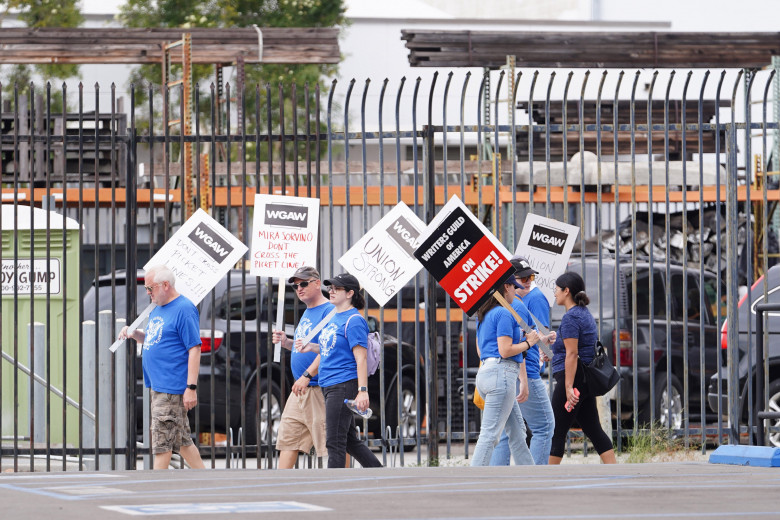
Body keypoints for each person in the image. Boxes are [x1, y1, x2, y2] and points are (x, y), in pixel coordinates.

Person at [118, 264, 205, 470]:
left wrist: (191, 388)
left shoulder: (183, 309)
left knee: (162, 444)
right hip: (160, 386)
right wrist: (135, 334)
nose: (148, 293)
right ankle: (207, 478)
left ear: (165, 285)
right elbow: (157, 338)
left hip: (170, 387)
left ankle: (155, 488)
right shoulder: (159, 308)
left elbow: (194, 348)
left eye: (150, 288)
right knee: (182, 441)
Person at [299, 273, 382, 469]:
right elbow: (332, 348)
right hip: (329, 385)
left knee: (334, 441)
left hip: (343, 385)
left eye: (337, 288)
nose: (331, 291)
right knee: (350, 441)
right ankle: (380, 474)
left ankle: (333, 485)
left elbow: (360, 358)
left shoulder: (354, 320)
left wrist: (362, 391)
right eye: (330, 287)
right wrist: (312, 347)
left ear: (350, 293)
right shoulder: (334, 317)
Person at [490, 257, 555, 466]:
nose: (527, 281)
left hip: (502, 372)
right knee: (544, 426)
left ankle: (495, 479)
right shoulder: (516, 305)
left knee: (507, 431)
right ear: (510, 282)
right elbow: (518, 346)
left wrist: (542, 341)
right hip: (522, 372)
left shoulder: (498, 303)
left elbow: (528, 336)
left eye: (531, 276)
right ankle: (535, 479)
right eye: (522, 277)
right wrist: (525, 379)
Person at [471, 277, 541, 467]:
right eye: (514, 288)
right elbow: (505, 350)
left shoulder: (484, 314)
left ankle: (529, 475)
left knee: (517, 430)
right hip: (501, 374)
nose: (516, 292)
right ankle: (473, 479)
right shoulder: (503, 313)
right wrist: (529, 343)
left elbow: (481, 351)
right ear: (506, 287)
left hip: (487, 372)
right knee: (490, 434)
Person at [548, 272, 616, 465]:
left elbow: (572, 354)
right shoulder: (584, 313)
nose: (555, 293)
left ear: (566, 291)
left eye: (557, 288)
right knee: (593, 428)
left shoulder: (571, 318)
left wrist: (568, 387)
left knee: (556, 430)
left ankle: (547, 477)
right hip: (583, 378)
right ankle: (613, 470)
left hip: (574, 378)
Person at [272, 266, 333, 469]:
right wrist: (287, 342)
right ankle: (279, 487)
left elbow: (329, 350)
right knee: (288, 437)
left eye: (304, 283)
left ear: (317, 283)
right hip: (300, 389)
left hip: (317, 387)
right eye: (296, 285)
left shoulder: (329, 311)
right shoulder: (308, 311)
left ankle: (343, 482)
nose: (299, 288)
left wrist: (307, 375)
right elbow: (304, 348)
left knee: (330, 444)